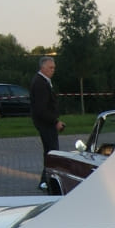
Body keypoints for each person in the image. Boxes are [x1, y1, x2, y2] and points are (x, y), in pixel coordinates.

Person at [30, 56, 64, 191]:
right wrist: (55, 121)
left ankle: (47, 179)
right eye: (50, 68)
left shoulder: (44, 81)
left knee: (50, 151)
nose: (53, 70)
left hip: (47, 122)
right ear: (42, 67)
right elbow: (41, 109)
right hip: (45, 123)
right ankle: (46, 180)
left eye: (54, 68)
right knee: (52, 151)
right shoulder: (40, 83)